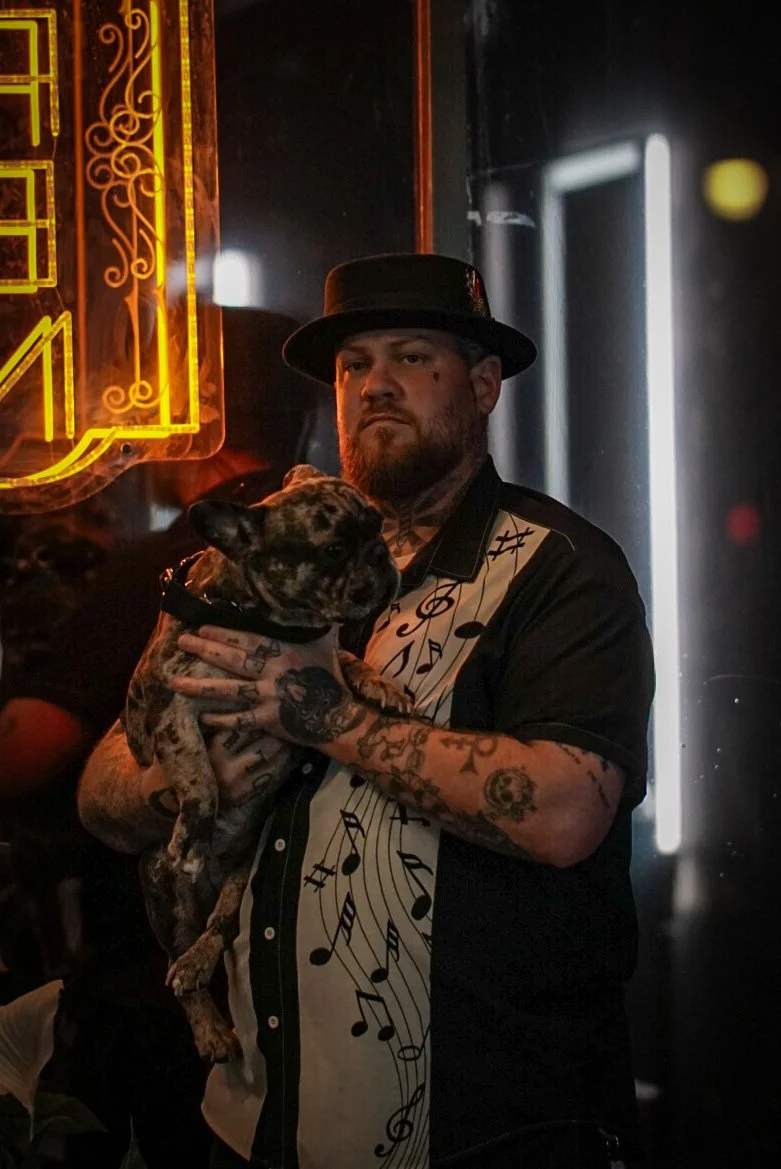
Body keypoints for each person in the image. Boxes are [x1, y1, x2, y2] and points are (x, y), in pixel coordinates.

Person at [77, 253, 655, 1169]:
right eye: (353, 367)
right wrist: (176, 785)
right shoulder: (273, 549)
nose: (375, 385)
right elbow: (101, 784)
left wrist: (326, 718)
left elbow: (563, 813)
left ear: (482, 383)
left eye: (411, 357)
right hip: (257, 1118)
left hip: (483, 1127)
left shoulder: (557, 568)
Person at [0, 308, 318, 1168]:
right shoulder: (332, 559)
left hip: (151, 991)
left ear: (192, 421)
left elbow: (25, 749)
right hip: (294, 991)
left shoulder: (173, 564)